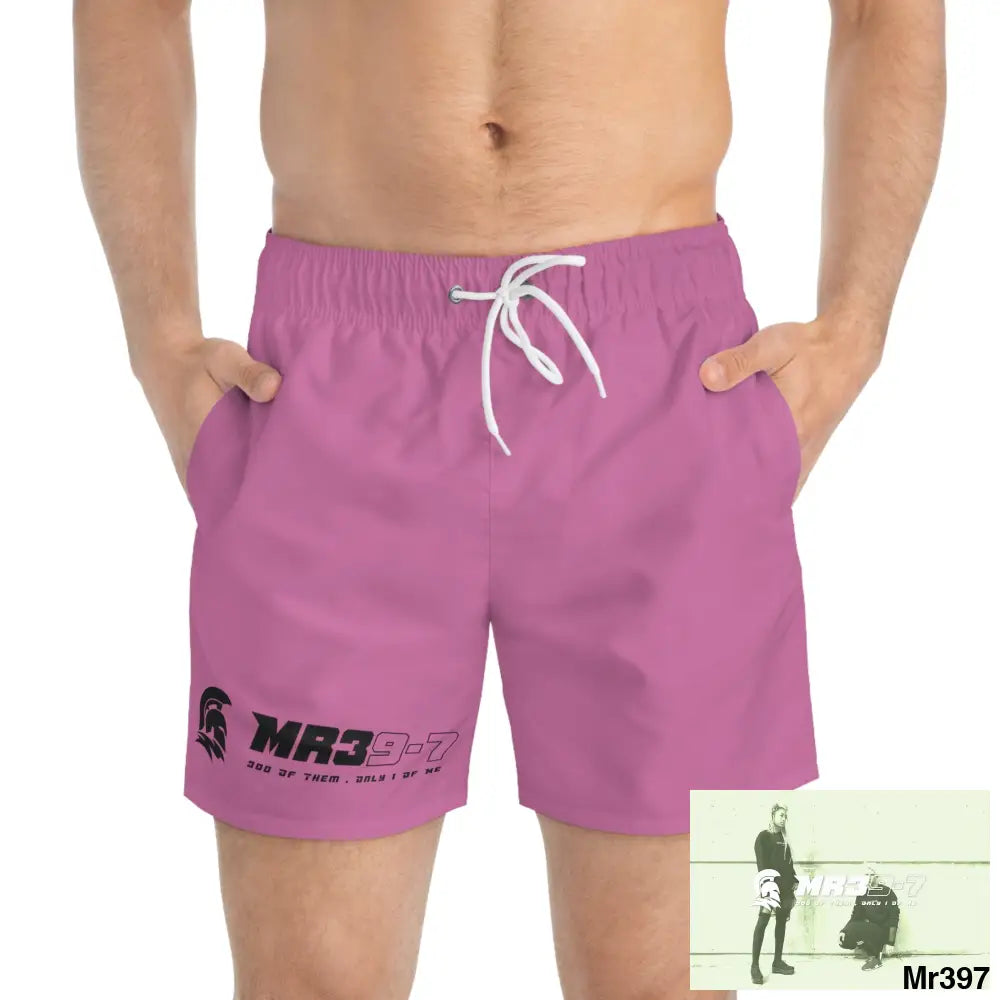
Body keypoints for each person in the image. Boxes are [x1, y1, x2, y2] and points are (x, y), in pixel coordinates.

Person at [73, 2, 946, 997]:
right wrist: (158, 336)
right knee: (310, 983)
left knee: (668, 985)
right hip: (335, 382)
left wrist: (856, 325)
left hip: (663, 377)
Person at [751, 804, 798, 984]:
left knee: (781, 923)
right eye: (781, 815)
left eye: (785, 816)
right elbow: (761, 865)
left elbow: (789, 865)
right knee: (762, 923)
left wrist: (794, 881)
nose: (783, 818)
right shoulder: (763, 837)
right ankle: (754, 966)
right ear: (772, 815)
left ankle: (777, 962)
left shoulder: (784, 839)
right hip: (770, 887)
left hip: (785, 889)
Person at [840, 865, 900, 971]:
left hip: (883, 930)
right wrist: (844, 931)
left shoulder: (886, 892)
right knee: (845, 939)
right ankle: (871, 952)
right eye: (865, 875)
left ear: (875, 877)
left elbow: (893, 917)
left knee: (857, 928)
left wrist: (891, 942)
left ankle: (875, 958)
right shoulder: (862, 893)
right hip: (870, 929)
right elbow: (855, 916)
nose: (867, 877)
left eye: (870, 875)